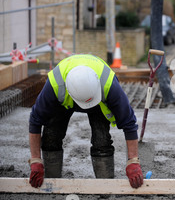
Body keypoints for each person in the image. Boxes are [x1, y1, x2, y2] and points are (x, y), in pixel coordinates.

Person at [28, 54, 144, 189]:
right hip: (64, 102)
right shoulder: (55, 85)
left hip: (98, 100)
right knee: (51, 136)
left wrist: (133, 161)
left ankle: (105, 186)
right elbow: (35, 120)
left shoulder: (109, 84)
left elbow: (129, 123)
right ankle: (52, 182)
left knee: (101, 140)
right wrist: (35, 160)